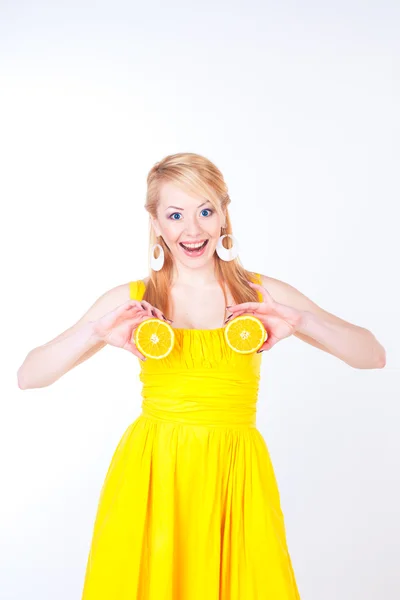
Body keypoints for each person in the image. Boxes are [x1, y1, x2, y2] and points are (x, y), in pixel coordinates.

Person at [17, 152, 386, 599]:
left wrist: (303, 323)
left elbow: (372, 355)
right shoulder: (132, 298)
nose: (192, 231)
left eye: (205, 211)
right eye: (175, 215)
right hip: (153, 474)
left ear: (224, 214)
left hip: (236, 473)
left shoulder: (261, 294)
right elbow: (29, 375)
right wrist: (94, 332)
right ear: (155, 222)